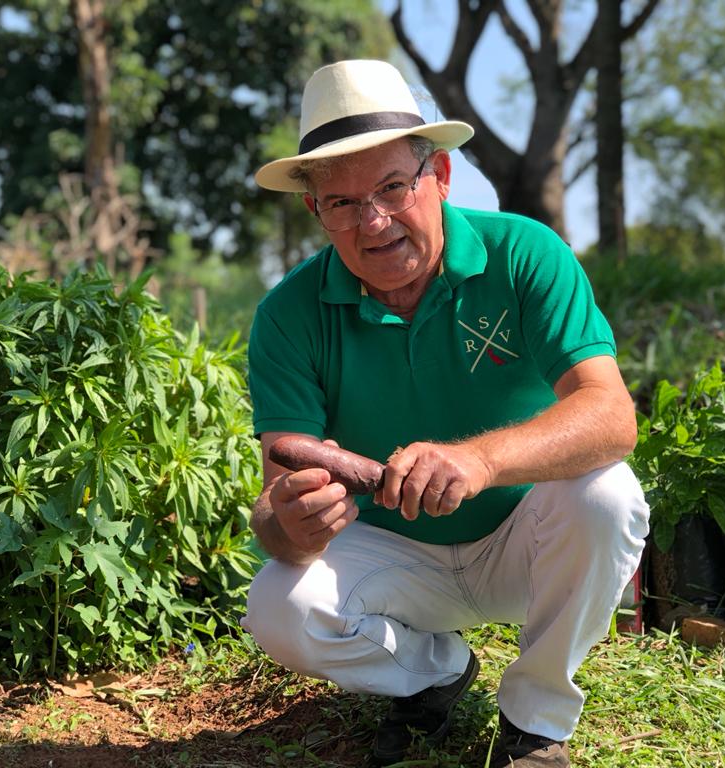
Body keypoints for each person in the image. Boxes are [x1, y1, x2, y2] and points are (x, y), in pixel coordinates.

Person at [241, 59, 649, 768]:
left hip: (528, 541)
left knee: (607, 495)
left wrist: (480, 460)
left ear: (441, 177)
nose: (374, 221)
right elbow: (277, 508)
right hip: (395, 561)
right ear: (315, 211)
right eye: (341, 202)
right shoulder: (288, 315)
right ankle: (436, 671)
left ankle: (536, 722)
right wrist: (289, 524)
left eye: (393, 187)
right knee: (280, 607)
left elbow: (612, 415)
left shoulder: (523, 253)